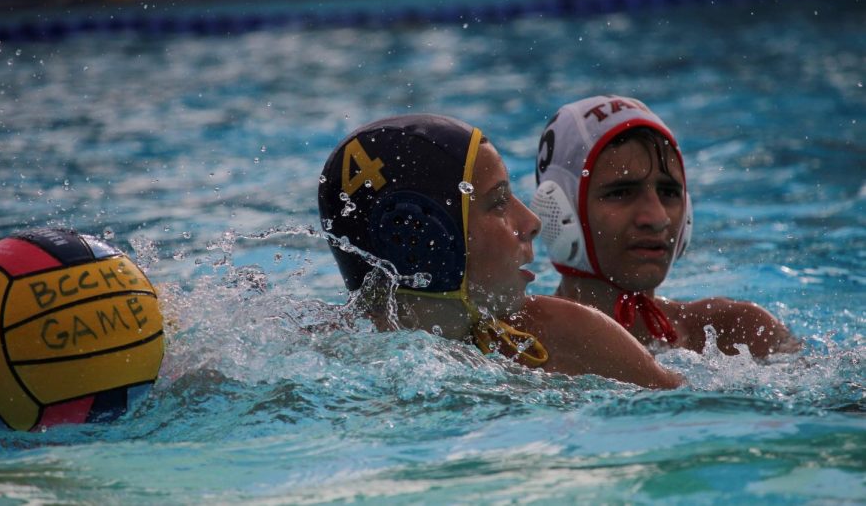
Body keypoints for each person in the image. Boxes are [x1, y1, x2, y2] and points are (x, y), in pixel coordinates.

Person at [318, 113, 682, 388]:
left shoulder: (574, 337)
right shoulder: (319, 363)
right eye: (499, 203)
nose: (531, 222)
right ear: (421, 236)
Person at [532, 95, 799, 357]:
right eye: (621, 192)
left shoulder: (738, 333)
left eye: (669, 192)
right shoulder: (524, 347)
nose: (657, 218)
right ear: (560, 208)